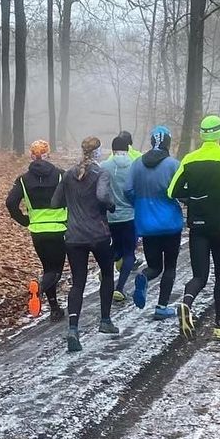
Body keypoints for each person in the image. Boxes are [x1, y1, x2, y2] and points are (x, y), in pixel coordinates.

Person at [168, 115, 220, 340]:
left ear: (202, 135)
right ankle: (219, 325)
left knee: (199, 276)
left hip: (197, 225)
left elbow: (172, 191)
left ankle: (186, 302)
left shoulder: (189, 159)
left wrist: (192, 198)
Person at [50, 137, 119, 352]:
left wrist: (73, 202)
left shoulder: (69, 174)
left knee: (77, 283)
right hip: (98, 234)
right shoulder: (101, 173)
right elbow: (102, 195)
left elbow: (55, 202)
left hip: (74, 237)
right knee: (107, 274)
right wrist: (111, 205)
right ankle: (105, 321)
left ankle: (73, 329)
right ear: (97, 152)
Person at [5, 140, 67, 320]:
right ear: (48, 154)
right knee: (55, 271)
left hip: (37, 231)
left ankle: (55, 308)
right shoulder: (61, 175)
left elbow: (10, 203)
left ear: (31, 156)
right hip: (59, 228)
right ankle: (39, 288)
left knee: (48, 267)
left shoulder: (23, 180)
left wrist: (24, 220)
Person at [127, 125, 183, 320]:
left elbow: (128, 190)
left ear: (152, 141)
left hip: (146, 223)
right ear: (167, 142)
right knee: (169, 267)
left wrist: (139, 204)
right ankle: (161, 307)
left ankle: (144, 276)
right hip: (170, 223)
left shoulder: (136, 164)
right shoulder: (173, 165)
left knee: (155, 266)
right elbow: (181, 192)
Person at [100, 134, 137, 302]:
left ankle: (105, 270)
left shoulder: (104, 166)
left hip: (111, 215)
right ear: (128, 148)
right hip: (130, 215)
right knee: (129, 253)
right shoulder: (135, 166)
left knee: (115, 248)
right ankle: (120, 288)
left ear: (113, 149)